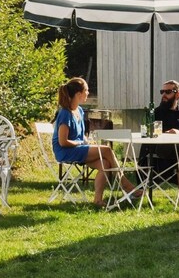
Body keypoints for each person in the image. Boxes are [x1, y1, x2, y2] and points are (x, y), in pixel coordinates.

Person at [53, 77, 141, 208]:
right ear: (78, 94)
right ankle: (126, 185)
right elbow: (63, 142)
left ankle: (98, 200)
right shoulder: (65, 113)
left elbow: (80, 135)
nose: (88, 93)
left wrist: (86, 140)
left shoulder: (80, 111)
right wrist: (80, 143)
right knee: (106, 150)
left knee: (105, 163)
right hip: (66, 151)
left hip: (78, 148)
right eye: (86, 90)